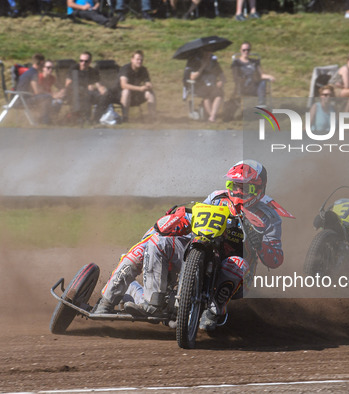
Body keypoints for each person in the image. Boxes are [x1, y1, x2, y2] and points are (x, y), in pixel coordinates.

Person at [94, 160, 287, 333]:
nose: (238, 192)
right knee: (155, 243)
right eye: (234, 186)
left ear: (259, 189)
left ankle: (213, 312)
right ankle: (114, 301)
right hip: (201, 251)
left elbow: (276, 260)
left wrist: (260, 243)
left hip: (235, 270)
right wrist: (176, 218)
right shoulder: (216, 197)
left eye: (246, 188)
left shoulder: (270, 217)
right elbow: (194, 220)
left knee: (236, 264)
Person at [64, 51, 112, 123]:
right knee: (84, 93)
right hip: (76, 94)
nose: (83, 63)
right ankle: (83, 117)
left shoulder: (93, 71)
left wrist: (102, 88)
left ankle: (96, 119)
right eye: (81, 61)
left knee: (104, 96)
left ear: (90, 62)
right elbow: (68, 84)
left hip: (89, 94)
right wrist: (86, 86)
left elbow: (98, 84)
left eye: (86, 61)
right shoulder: (74, 69)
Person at [116, 50, 156, 122]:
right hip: (121, 95)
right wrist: (140, 88)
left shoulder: (143, 70)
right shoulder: (125, 69)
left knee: (150, 93)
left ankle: (152, 117)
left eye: (141, 60)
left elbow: (147, 82)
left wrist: (148, 86)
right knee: (126, 91)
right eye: (137, 59)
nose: (139, 61)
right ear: (132, 60)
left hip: (136, 95)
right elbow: (123, 85)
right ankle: (125, 118)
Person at [186, 51, 225, 122]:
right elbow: (192, 77)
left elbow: (222, 75)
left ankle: (212, 116)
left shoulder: (214, 63)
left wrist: (221, 81)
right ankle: (212, 116)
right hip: (201, 85)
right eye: (206, 53)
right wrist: (202, 67)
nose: (208, 54)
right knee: (206, 96)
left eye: (209, 53)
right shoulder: (196, 63)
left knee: (219, 95)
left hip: (213, 85)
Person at [16, 53, 52, 124]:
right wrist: (50, 94)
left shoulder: (29, 72)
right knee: (47, 97)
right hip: (22, 101)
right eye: (44, 63)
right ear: (41, 63)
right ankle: (45, 121)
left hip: (18, 99)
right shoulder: (34, 74)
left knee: (44, 97)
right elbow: (37, 91)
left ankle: (41, 119)